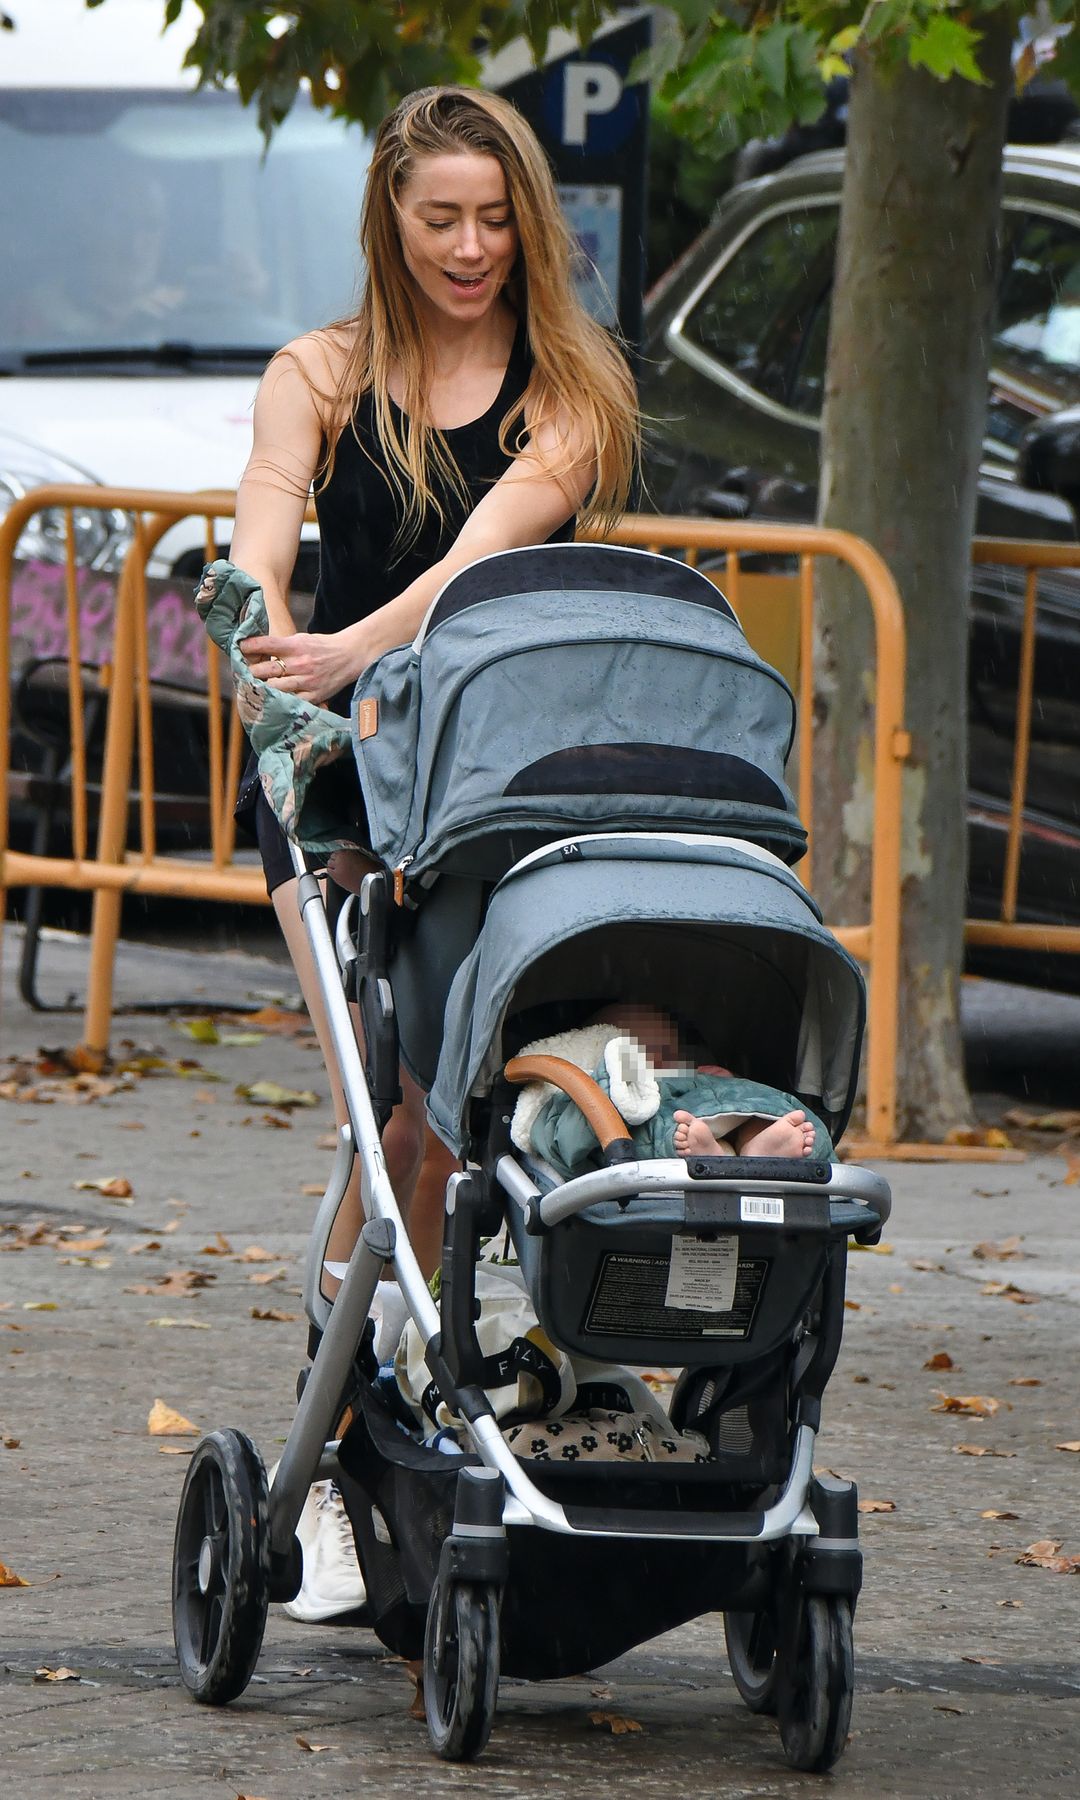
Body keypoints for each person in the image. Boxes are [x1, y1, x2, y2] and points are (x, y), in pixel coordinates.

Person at [220, 85, 639, 1622]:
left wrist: (348, 644)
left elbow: (475, 570)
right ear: (390, 223)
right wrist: (264, 605)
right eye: (437, 216)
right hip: (335, 786)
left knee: (452, 1132)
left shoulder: (569, 393)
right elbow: (266, 510)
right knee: (389, 1123)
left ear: (528, 219)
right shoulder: (321, 373)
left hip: (494, 782)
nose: (470, 246)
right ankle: (331, 1478)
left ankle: (516, 1388)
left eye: (492, 216)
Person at [513, 1002, 833, 1179]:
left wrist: (725, 1082)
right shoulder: (583, 1087)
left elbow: (736, 1095)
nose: (662, 1060)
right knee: (663, 1127)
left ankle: (759, 1147)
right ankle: (708, 1152)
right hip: (650, 1133)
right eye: (645, 1049)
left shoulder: (693, 1074)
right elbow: (559, 1139)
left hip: (711, 1121)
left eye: (670, 1051)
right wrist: (607, 1090)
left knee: (758, 1108)